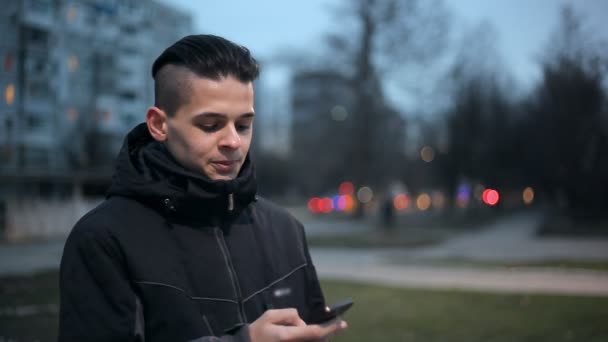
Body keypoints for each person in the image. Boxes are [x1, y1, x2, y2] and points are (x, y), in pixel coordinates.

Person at [58, 34, 348, 342]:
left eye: (243, 125)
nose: (233, 142)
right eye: (210, 125)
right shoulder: (102, 239)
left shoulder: (285, 229)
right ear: (159, 125)